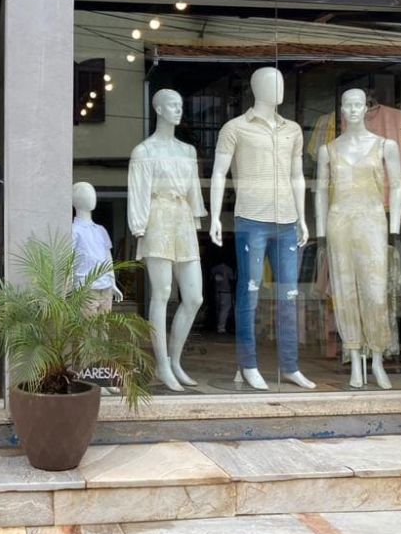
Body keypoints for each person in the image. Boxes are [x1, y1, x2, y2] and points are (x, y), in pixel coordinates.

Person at [209, 67, 315, 390]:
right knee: (250, 292)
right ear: (256, 88)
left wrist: (302, 217)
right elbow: (218, 173)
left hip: (287, 221)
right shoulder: (234, 128)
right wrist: (215, 216)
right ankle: (248, 364)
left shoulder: (292, 130)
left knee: (288, 295)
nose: (279, 87)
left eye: (281, 81)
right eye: (272, 82)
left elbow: (297, 175)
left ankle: (290, 366)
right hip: (251, 219)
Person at [315, 88, 401, 390]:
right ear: (341, 110)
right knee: (345, 292)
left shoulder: (385, 146)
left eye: (358, 105)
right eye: (347, 105)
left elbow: (398, 186)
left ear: (366, 108)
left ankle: (376, 358)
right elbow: (320, 191)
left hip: (373, 222)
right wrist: (321, 231)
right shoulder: (328, 150)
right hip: (339, 223)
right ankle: (354, 357)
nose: (353, 110)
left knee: (375, 292)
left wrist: (394, 227)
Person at [128, 88, 207, 391]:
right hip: (157, 217)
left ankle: (174, 361)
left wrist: (197, 218)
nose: (178, 110)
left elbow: (193, 190)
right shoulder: (144, 151)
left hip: (183, 218)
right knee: (161, 293)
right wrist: (139, 226)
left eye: (180, 105)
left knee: (194, 297)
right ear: (158, 109)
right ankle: (161, 364)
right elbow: (138, 192)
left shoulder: (187, 151)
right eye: (172, 105)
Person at [72, 181, 123, 315]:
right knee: (87, 327)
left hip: (106, 287)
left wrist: (113, 283)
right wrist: (68, 290)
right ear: (74, 200)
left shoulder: (101, 230)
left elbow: (108, 258)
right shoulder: (73, 230)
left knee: (104, 325)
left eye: (93, 193)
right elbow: (68, 262)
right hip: (85, 288)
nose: (92, 196)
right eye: (86, 193)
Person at [210, 259, 235, 334]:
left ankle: (217, 326)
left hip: (217, 291)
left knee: (218, 309)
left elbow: (211, 280)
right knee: (225, 310)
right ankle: (221, 328)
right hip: (226, 292)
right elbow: (231, 281)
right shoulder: (228, 269)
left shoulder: (214, 269)